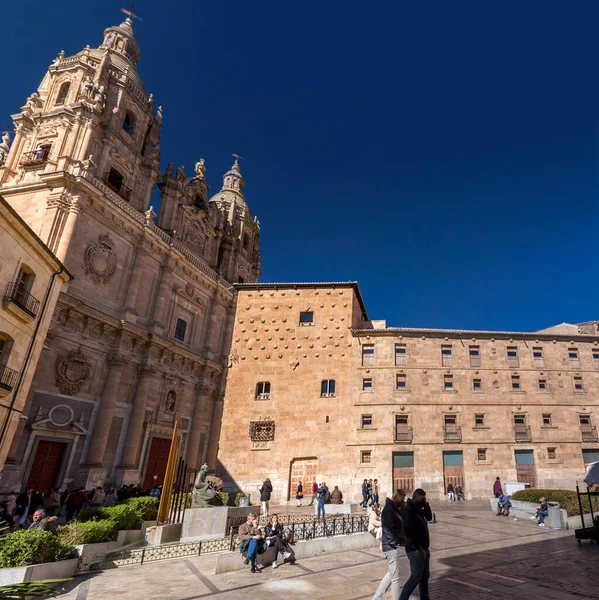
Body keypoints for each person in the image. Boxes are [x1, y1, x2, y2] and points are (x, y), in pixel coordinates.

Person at [399, 489, 433, 600]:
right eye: (422, 498)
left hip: (424, 547)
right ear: (416, 498)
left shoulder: (419, 508)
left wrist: (426, 505)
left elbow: (429, 517)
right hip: (415, 550)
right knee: (416, 576)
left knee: (425, 576)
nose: (424, 500)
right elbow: (408, 530)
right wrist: (417, 546)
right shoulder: (409, 509)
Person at [372, 489, 406, 600]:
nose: (403, 501)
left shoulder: (393, 508)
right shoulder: (388, 509)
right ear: (398, 498)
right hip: (390, 546)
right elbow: (387, 528)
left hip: (390, 545)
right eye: (402, 499)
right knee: (395, 577)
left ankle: (377, 597)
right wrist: (394, 542)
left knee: (392, 573)